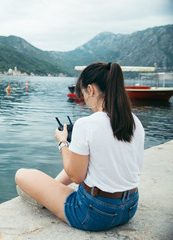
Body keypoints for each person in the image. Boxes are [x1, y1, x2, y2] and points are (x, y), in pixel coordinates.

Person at [15, 62, 145, 231]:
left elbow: (76, 176)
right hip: (129, 207)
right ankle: (50, 192)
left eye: (83, 94)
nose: (84, 99)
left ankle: (47, 196)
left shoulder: (87, 124)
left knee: (22, 175)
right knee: (80, 159)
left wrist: (63, 142)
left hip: (94, 213)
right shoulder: (135, 121)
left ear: (90, 89)